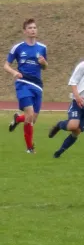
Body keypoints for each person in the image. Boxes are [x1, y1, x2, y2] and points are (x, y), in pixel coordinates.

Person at [3, 18, 48, 154]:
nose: (33, 30)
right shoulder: (18, 48)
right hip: (23, 84)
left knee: (32, 118)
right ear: (25, 31)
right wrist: (14, 72)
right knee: (29, 114)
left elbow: (45, 67)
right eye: (30, 28)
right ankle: (30, 148)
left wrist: (43, 62)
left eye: (34, 27)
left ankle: (18, 119)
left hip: (37, 85)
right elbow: (6, 65)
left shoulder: (42, 48)